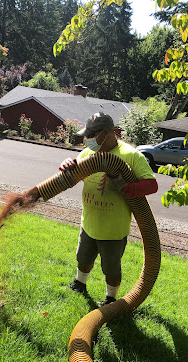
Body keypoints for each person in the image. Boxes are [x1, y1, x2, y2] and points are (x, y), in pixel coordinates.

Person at [60, 112, 158, 305]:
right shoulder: (89, 153)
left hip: (113, 230)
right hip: (88, 223)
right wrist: (66, 164)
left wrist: (126, 188)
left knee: (111, 269)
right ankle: (80, 284)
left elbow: (151, 185)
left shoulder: (130, 155)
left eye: (91, 135)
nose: (88, 140)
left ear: (105, 133)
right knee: (83, 257)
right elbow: (71, 177)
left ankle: (110, 299)